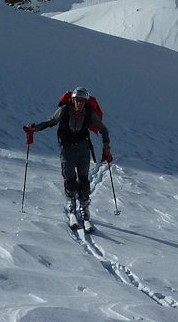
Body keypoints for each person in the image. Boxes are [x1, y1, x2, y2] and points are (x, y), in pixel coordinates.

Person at [24, 87, 112, 223]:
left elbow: (103, 128)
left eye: (82, 101)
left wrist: (106, 143)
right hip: (67, 149)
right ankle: (72, 205)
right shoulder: (64, 110)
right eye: (77, 100)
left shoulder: (89, 113)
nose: (79, 103)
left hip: (83, 148)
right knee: (69, 179)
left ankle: (84, 206)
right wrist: (35, 129)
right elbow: (52, 121)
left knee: (83, 180)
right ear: (72, 99)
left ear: (85, 101)